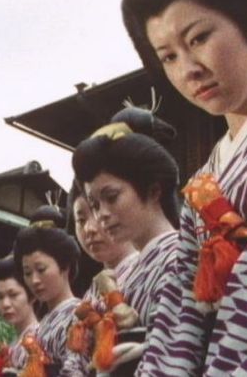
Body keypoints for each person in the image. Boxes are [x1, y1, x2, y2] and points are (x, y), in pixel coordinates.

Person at [121, 0, 247, 375]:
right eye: (168, 57)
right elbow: (179, 316)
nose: (188, 69)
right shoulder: (203, 183)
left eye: (198, 38)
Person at [71, 107, 180, 373]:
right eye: (95, 204)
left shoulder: (181, 259)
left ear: (153, 190)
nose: (101, 215)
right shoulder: (128, 273)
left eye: (112, 197)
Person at [12, 205, 89, 376]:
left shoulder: (78, 317)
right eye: (27, 273)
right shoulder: (41, 324)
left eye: (41, 269)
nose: (34, 280)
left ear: (65, 267)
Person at [0, 255, 38, 375]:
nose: (5, 304)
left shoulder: (42, 339)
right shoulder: (14, 344)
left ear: (32, 296)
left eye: (13, 295)